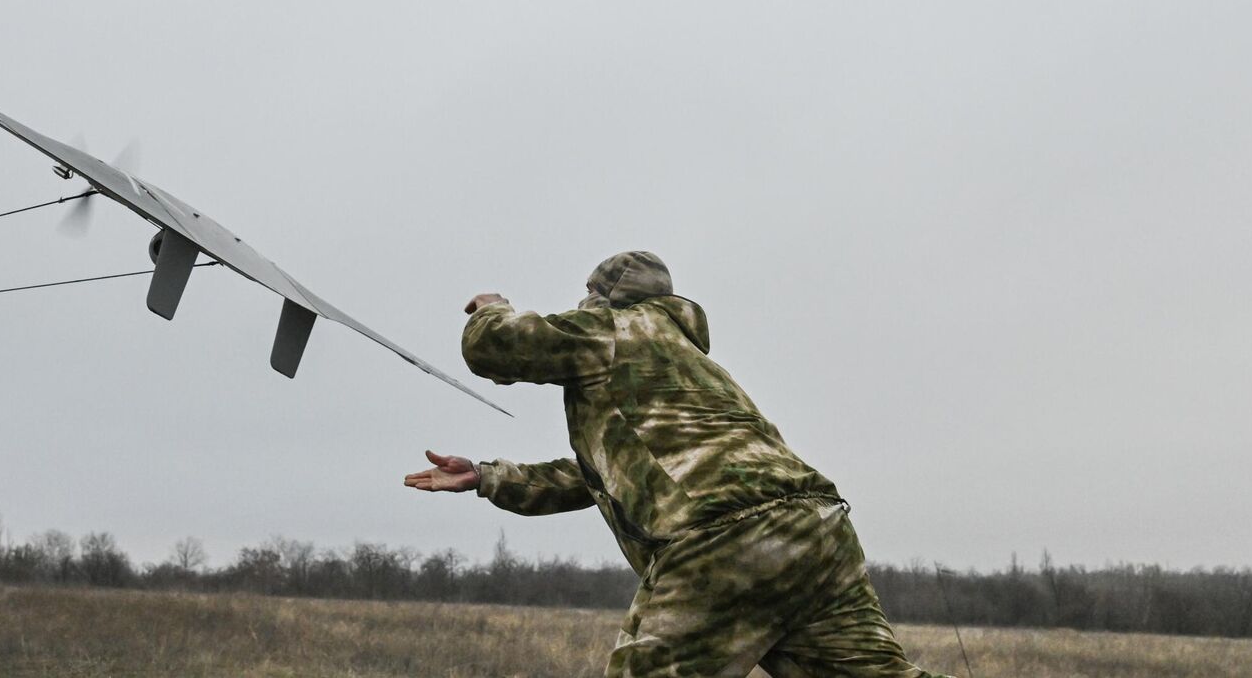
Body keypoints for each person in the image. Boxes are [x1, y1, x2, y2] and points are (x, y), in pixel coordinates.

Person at [406, 251, 949, 678]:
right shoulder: (690, 363)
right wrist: (488, 476)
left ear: (602, 299)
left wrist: (493, 308)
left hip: (727, 539)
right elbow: (600, 476)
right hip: (819, 532)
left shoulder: (619, 331)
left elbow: (494, 348)